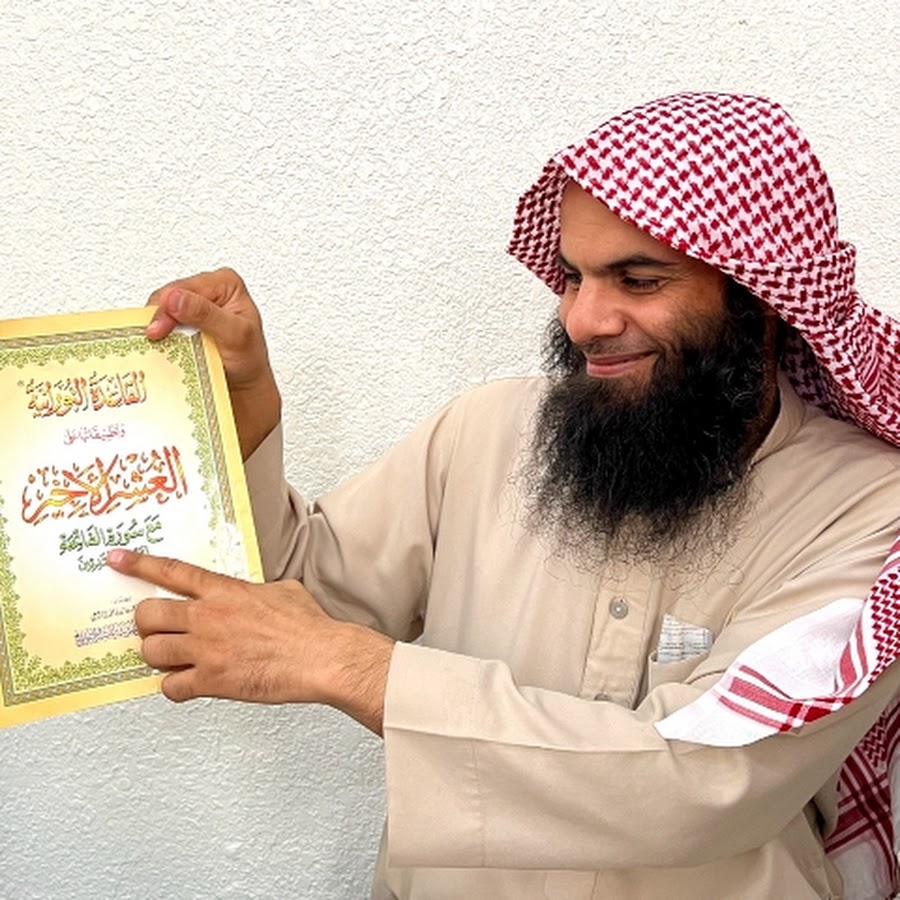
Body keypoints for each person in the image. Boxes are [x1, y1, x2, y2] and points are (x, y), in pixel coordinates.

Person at [108, 93, 900, 899]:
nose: (585, 320)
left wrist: (355, 669)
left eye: (637, 279)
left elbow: (704, 782)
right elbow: (296, 597)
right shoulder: (488, 430)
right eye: (574, 277)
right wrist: (242, 408)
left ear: (760, 296)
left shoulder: (868, 506)